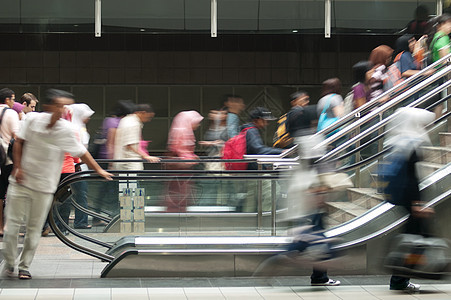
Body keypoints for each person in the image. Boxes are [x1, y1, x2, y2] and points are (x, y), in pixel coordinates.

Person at [2, 89, 112, 280]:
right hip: (21, 181)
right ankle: (10, 261)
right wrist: (18, 167)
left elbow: (81, 153)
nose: (63, 110)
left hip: (45, 186)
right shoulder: (32, 120)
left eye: (66, 106)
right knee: (11, 227)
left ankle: (24, 265)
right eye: (60, 105)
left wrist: (98, 170)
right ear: (49, 106)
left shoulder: (67, 129)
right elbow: (19, 142)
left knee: (34, 229)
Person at [385, 107, 435, 292]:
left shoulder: (398, 140)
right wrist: (417, 204)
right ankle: (399, 278)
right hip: (411, 198)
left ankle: (400, 277)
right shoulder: (412, 142)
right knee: (417, 239)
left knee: (413, 238)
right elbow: (412, 176)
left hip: (404, 197)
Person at [164, 110, 204, 212]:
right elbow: (177, 148)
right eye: (197, 122)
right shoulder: (181, 131)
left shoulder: (184, 130)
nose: (198, 125)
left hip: (182, 168)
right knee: (178, 190)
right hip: (179, 168)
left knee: (182, 190)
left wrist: (192, 156)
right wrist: (189, 158)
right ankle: (175, 210)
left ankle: (180, 210)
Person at [113, 104, 160, 171]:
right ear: (143, 113)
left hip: (121, 160)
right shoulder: (133, 123)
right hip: (130, 163)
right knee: (131, 181)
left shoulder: (125, 119)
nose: (148, 120)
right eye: (148, 117)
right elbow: (131, 144)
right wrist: (146, 156)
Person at [0, 88, 19, 237]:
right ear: (7, 100)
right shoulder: (10, 113)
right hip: (6, 158)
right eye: (13, 99)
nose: (13, 102)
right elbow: (17, 137)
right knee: (10, 191)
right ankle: (6, 226)